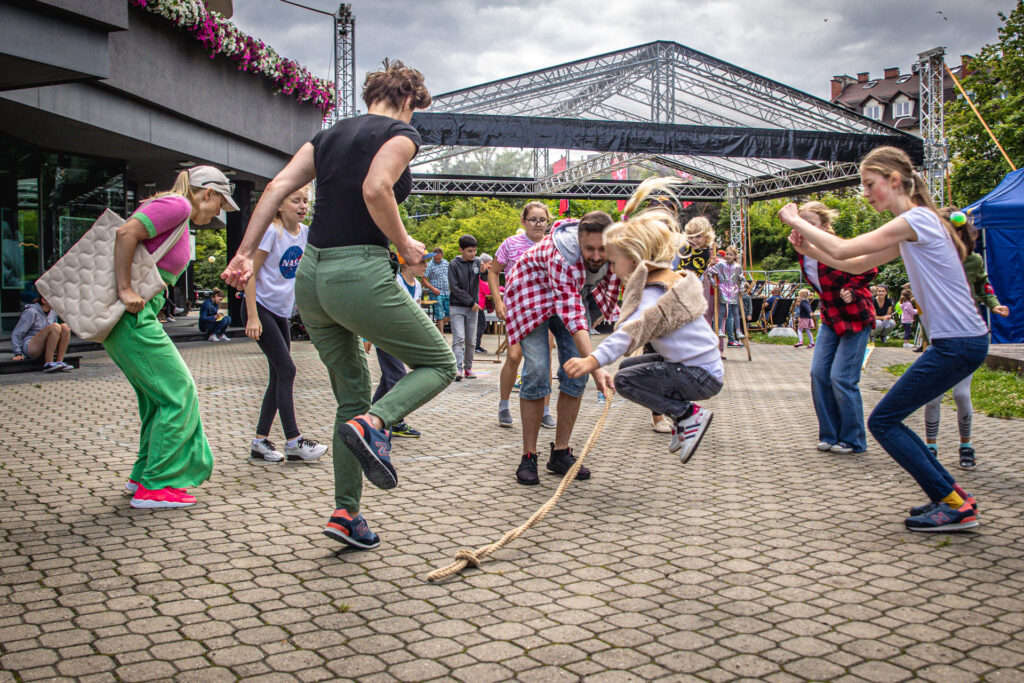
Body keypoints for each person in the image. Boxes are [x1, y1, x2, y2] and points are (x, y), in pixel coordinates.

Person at [222, 59, 455, 550]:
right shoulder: (400, 134)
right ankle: (376, 424)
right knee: (438, 362)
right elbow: (376, 187)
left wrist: (244, 254)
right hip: (360, 272)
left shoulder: (326, 137)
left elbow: (276, 188)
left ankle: (347, 513)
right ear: (410, 100)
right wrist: (403, 243)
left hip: (312, 281)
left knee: (351, 396)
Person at [782, 145, 988, 532]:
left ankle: (955, 503)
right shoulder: (916, 225)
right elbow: (854, 263)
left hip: (958, 343)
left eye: (869, 184)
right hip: (959, 342)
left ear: (895, 181)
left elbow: (843, 247)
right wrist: (809, 248)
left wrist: (795, 218)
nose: (865, 192)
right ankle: (952, 499)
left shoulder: (917, 220)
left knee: (885, 421)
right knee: (889, 420)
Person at [565, 179, 723, 462]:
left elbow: (628, 333)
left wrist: (592, 360)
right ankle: (682, 420)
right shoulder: (666, 279)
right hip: (702, 366)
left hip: (701, 376)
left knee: (625, 380)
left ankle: (687, 415)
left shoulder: (654, 295)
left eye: (614, 261)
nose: (611, 268)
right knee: (630, 366)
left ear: (635, 258)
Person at [111, 165, 235, 508]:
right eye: (219, 206)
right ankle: (156, 486)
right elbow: (125, 234)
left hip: (136, 315)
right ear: (207, 193)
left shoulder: (175, 210)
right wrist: (124, 289)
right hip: (133, 316)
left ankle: (143, 477)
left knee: (157, 399)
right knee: (179, 391)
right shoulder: (178, 205)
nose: (216, 215)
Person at [502, 210, 619, 485]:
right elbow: (574, 316)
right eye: (588, 248)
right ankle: (528, 455)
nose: (595, 256)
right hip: (530, 294)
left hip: (570, 296)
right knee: (538, 370)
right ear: (579, 242)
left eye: (602, 249)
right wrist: (597, 367)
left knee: (575, 373)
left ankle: (560, 453)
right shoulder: (562, 255)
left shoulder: (617, 250)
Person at [242, 185, 328, 464]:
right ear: (279, 205)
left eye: (306, 201)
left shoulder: (305, 235)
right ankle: (293, 441)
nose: (303, 206)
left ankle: (259, 443)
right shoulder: (271, 232)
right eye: (295, 201)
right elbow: (248, 275)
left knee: (278, 376)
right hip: (260, 308)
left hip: (279, 313)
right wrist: (253, 316)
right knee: (287, 370)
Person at [923, 207, 1010, 471]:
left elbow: (983, 285)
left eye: (955, 232)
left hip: (967, 335)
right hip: (938, 337)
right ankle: (931, 447)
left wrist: (993, 304)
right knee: (933, 397)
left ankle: (966, 445)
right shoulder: (931, 260)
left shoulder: (972, 261)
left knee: (961, 394)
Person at [796, 201, 877, 456]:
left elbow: (870, 267)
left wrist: (852, 289)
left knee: (841, 378)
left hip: (854, 317)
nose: (806, 229)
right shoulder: (802, 249)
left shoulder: (836, 244)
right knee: (819, 374)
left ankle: (853, 440)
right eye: (802, 224)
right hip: (831, 318)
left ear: (825, 226)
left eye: (812, 224)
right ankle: (830, 436)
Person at [490, 202, 555, 429]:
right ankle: (504, 404)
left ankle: (546, 410)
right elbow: (494, 272)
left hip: (545, 310)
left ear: (548, 222)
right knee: (514, 356)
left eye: (542, 220)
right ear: (523, 221)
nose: (538, 224)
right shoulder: (511, 243)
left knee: (544, 360)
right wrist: (498, 301)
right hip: (517, 308)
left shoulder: (553, 244)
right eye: (533, 219)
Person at [371, 255, 426, 439]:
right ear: (407, 264)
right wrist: (367, 336)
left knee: (388, 379)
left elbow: (415, 312)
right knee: (398, 377)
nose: (426, 266)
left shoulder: (417, 285)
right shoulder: (395, 281)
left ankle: (370, 418)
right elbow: (378, 307)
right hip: (386, 337)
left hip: (401, 339)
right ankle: (395, 420)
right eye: (422, 262)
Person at [447, 234, 481, 381]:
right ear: (461, 250)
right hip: (457, 307)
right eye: (469, 251)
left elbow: (485, 279)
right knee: (459, 338)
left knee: (471, 340)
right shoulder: (453, 264)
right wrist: (470, 302)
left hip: (473, 308)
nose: (472, 254)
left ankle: (468, 368)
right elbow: (454, 287)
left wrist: (485, 272)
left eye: (474, 250)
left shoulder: (477, 262)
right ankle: (457, 369)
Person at [11, 295, 73, 372]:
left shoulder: (53, 312)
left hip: (46, 346)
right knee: (55, 327)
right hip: (31, 347)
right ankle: (48, 363)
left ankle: (59, 362)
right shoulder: (31, 312)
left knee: (65, 327)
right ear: (44, 300)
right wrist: (18, 353)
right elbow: (17, 333)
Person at [708, 245, 744, 349]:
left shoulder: (737, 266)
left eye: (730, 254)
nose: (728, 256)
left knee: (735, 312)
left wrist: (741, 287)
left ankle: (738, 330)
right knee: (722, 311)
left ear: (735, 256)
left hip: (733, 289)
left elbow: (742, 278)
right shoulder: (721, 265)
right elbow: (710, 271)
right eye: (727, 254)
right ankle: (719, 329)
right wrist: (713, 282)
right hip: (723, 288)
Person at [424, 248, 450, 334]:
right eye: (435, 258)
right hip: (436, 292)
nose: (437, 260)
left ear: (442, 256)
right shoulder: (429, 265)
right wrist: (433, 289)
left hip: (446, 292)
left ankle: (436, 331)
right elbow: (424, 280)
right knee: (439, 314)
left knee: (450, 313)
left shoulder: (446, 263)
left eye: (439, 258)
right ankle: (441, 335)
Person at [475, 253, 492, 354]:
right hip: (478, 303)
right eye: (489, 263)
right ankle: (475, 346)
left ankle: (476, 345)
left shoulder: (483, 274)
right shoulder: (480, 274)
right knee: (481, 324)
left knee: (480, 324)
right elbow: (486, 288)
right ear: (483, 263)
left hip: (479, 303)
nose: (491, 266)